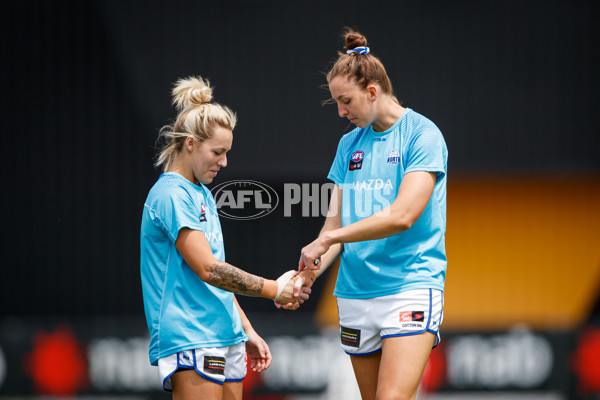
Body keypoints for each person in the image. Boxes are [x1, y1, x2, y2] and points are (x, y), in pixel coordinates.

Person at [298, 29, 448, 400]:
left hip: (409, 286)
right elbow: (334, 225)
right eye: (335, 102)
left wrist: (331, 238)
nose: (341, 112)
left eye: (345, 100)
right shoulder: (348, 145)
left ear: (372, 91)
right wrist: (310, 271)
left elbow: (403, 216)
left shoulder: (422, 135)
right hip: (355, 292)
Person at [140, 76, 312, 399]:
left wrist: (244, 329)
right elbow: (209, 269)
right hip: (192, 336)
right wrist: (276, 289)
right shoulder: (170, 195)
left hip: (225, 335)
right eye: (218, 152)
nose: (225, 161)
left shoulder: (202, 193)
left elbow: (215, 274)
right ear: (190, 143)